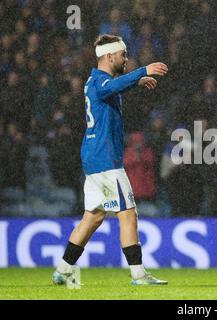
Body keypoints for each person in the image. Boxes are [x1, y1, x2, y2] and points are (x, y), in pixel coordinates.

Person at [52, 34, 169, 286]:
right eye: (123, 54)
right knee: (128, 214)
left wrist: (134, 82)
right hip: (105, 160)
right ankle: (138, 274)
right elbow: (110, 88)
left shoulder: (98, 82)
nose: (126, 58)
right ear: (109, 56)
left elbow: (113, 88)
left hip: (95, 158)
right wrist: (142, 72)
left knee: (92, 217)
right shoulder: (99, 81)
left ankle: (62, 270)